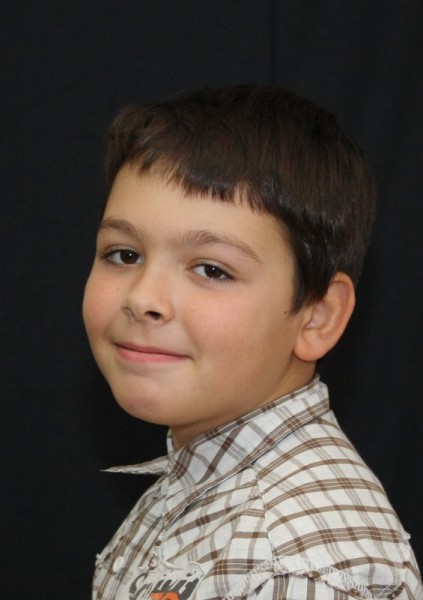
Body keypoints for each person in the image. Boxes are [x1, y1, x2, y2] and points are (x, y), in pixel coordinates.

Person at [82, 85, 422, 599]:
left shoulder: (294, 565)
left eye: (211, 269)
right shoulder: (201, 483)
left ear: (317, 316)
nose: (143, 298)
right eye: (124, 254)